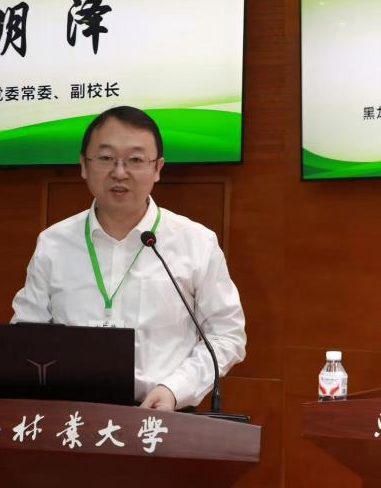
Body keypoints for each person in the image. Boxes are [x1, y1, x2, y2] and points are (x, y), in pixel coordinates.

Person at [12, 106, 246, 411]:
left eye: (135, 160)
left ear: (158, 168)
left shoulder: (196, 242)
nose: (119, 172)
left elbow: (227, 335)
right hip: (71, 416)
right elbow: (25, 333)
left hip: (162, 415)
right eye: (106, 158)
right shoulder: (54, 243)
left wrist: (175, 389)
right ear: (84, 165)